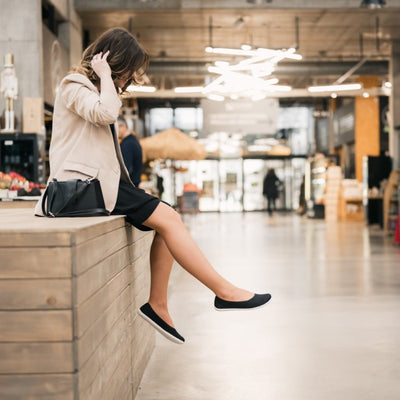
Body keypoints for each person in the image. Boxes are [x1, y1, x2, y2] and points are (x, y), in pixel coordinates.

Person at [34, 27, 271, 344]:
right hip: (80, 188)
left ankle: (160, 304)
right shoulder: (73, 85)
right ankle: (221, 292)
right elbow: (105, 113)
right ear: (113, 60)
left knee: (170, 218)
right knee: (171, 219)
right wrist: (104, 74)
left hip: (99, 185)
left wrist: (106, 79)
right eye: (129, 69)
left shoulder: (94, 88)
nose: (130, 77)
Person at [117, 116, 142, 186]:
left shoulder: (127, 144)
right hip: (135, 185)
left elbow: (126, 170)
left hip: (130, 187)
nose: (115, 131)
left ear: (123, 126)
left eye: (116, 127)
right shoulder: (133, 140)